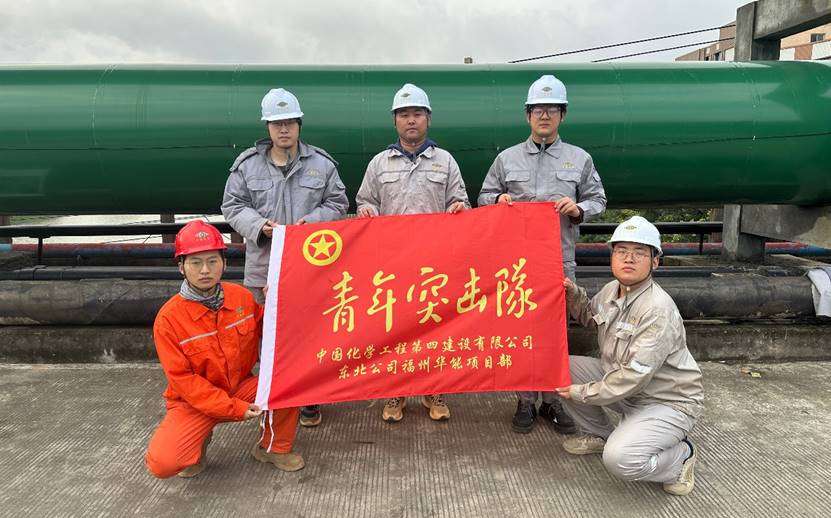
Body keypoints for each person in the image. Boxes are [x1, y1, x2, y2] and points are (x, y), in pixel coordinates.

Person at [478, 74, 607, 435]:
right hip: (516, 263)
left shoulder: (579, 159)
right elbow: (484, 196)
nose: (545, 115)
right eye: (538, 109)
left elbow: (599, 200)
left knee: (554, 333)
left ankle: (552, 400)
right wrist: (498, 199)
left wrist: (578, 209)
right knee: (520, 329)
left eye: (552, 109)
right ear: (528, 115)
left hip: (558, 260)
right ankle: (525, 400)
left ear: (563, 115)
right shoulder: (507, 159)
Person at [222, 88, 348, 428]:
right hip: (264, 268)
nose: (284, 129)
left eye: (290, 122)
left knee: (312, 332)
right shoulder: (247, 167)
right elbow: (232, 205)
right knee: (267, 334)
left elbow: (338, 203)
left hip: (312, 268)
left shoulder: (321, 165)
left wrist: (313, 223)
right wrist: (259, 226)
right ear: (267, 127)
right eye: (277, 123)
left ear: (299, 124)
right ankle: (273, 396)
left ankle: (309, 399)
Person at [554, 216, 703, 496]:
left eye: (639, 253)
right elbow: (591, 317)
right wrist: (572, 294)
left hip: (665, 401)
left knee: (620, 460)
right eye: (621, 251)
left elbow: (634, 376)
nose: (629, 259)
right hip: (626, 387)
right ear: (612, 257)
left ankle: (680, 457)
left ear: (655, 262)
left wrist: (581, 393)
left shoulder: (656, 309)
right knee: (561, 369)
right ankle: (602, 435)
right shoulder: (612, 290)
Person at [144, 220, 304, 478]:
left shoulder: (240, 297)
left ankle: (273, 448)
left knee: (290, 382)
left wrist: (279, 302)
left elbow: (273, 330)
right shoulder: (168, 320)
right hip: (193, 402)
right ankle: (198, 441)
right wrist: (233, 408)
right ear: (181, 267)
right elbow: (184, 381)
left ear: (225, 264)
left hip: (240, 388)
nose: (205, 270)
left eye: (212, 261)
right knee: (163, 464)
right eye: (195, 263)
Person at [356, 83, 470, 423]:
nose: (411, 120)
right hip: (393, 264)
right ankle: (396, 391)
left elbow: (460, 200)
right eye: (404, 114)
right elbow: (365, 200)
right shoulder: (379, 163)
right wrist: (365, 211)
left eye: (417, 114)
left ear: (428, 119)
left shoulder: (445, 161)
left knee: (434, 328)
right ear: (395, 121)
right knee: (395, 329)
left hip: (434, 263)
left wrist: (458, 207)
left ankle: (434, 390)